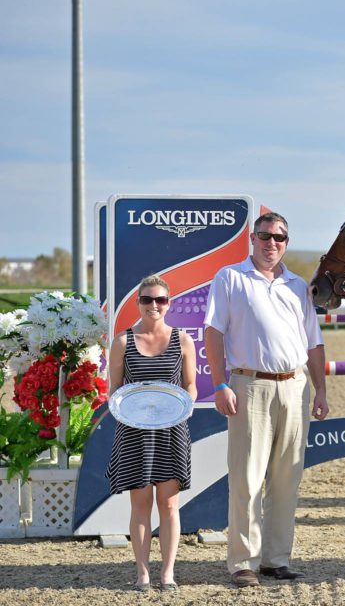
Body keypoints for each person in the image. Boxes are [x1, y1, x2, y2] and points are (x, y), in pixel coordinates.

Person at [204, 212, 330, 588]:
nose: (271, 243)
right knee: (247, 478)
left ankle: (276, 559)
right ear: (252, 240)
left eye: (279, 237)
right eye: (264, 236)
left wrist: (321, 388)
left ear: (286, 242)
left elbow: (313, 342)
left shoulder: (297, 286)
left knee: (286, 478)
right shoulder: (230, 278)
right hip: (249, 386)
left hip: (295, 386)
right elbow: (213, 332)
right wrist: (219, 384)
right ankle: (243, 561)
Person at [106, 274, 197, 592]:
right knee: (140, 504)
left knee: (169, 505)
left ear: (169, 303)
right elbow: (113, 391)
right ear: (138, 303)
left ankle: (168, 574)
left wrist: (186, 405)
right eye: (147, 299)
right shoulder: (122, 342)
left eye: (160, 299)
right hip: (134, 433)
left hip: (172, 431)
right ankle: (143, 574)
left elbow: (191, 386)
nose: (154, 305)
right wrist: (124, 410)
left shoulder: (183, 340)